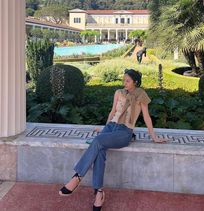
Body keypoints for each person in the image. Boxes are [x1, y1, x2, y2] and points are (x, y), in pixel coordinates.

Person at [59, 69, 169, 210]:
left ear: (135, 82)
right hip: (111, 128)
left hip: (124, 131)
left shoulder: (141, 95)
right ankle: (99, 193)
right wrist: (104, 129)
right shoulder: (118, 92)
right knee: (100, 149)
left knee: (98, 142)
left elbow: (147, 117)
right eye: (124, 80)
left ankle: (78, 177)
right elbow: (112, 112)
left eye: (127, 81)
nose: (125, 83)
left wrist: (154, 137)